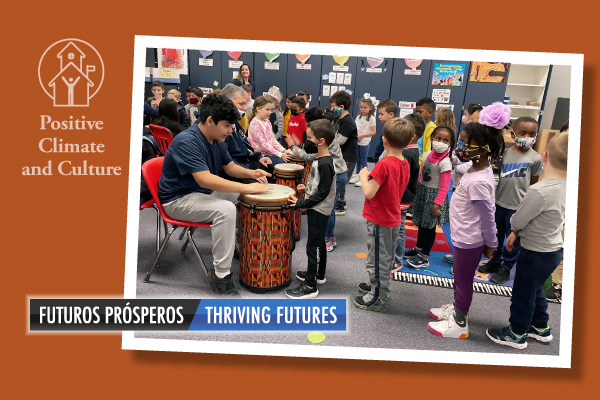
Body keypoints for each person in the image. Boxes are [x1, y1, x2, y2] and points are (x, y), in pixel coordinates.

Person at [158, 93, 271, 296]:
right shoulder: (188, 141)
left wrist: (251, 174)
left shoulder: (217, 138)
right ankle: (220, 275)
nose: (230, 131)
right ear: (210, 121)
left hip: (199, 193)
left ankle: (236, 244)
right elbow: (205, 180)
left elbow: (228, 167)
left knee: (242, 198)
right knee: (226, 209)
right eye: (227, 126)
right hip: (177, 199)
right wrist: (246, 186)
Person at [427, 104, 509, 339]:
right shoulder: (474, 167)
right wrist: (452, 158)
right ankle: (457, 308)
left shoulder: (480, 182)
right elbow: (460, 166)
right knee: (459, 279)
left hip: (469, 240)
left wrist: (492, 244)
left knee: (463, 281)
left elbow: (488, 218)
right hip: (463, 235)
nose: (460, 148)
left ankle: (460, 323)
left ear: (482, 150)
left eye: (464, 144)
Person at [486, 131, 568, 349]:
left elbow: (519, 218)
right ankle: (540, 326)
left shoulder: (539, 191)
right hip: (553, 250)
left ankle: (517, 332)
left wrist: (513, 230)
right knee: (536, 287)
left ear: (544, 156)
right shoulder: (569, 186)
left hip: (534, 252)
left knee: (523, 292)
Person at [354, 118, 413, 312]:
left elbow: (369, 192)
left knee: (377, 259)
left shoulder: (384, 165)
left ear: (384, 140)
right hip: (392, 218)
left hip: (381, 220)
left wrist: (363, 176)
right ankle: (378, 287)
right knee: (384, 258)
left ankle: (378, 297)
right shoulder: (404, 162)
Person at [478, 116, 543, 284]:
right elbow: (500, 176)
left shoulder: (535, 158)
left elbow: (533, 183)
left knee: (513, 239)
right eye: (522, 133)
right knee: (497, 234)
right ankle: (496, 260)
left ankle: (506, 266)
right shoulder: (505, 154)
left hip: (518, 207)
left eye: (531, 133)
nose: (527, 137)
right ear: (513, 135)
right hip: (500, 203)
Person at [286, 119, 337, 298]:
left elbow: (323, 192)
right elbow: (319, 185)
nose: (307, 141)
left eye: (309, 137)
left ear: (321, 141)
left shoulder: (325, 163)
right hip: (318, 205)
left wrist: (302, 203)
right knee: (319, 242)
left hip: (319, 208)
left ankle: (310, 286)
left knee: (312, 246)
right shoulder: (319, 157)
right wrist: (305, 189)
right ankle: (318, 275)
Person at [286, 106, 347, 252]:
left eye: (309, 136)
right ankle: (328, 236)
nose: (308, 139)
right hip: (339, 173)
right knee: (329, 207)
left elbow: (308, 156)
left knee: (328, 208)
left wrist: (293, 146)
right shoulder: (326, 135)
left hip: (337, 175)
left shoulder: (325, 152)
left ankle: (327, 239)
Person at [404, 126, 455, 268]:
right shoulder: (427, 155)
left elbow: (445, 187)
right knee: (421, 224)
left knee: (429, 228)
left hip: (434, 198)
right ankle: (418, 249)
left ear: (450, 144)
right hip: (422, 193)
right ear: (432, 138)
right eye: (438, 138)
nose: (441, 142)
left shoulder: (445, 162)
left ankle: (424, 256)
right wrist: (416, 191)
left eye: (445, 140)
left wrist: (437, 204)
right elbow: (421, 174)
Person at [392, 113, 425, 271]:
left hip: (401, 198)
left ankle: (397, 259)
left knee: (398, 230)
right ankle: (397, 256)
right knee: (399, 228)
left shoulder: (406, 153)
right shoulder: (409, 150)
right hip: (404, 197)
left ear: (412, 136)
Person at [221, 84, 273, 183]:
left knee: (268, 168)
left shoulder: (235, 124)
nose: (245, 108)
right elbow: (227, 164)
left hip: (244, 163)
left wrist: (259, 157)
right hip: (232, 171)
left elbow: (246, 145)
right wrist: (249, 173)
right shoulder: (221, 128)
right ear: (227, 102)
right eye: (241, 104)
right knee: (257, 181)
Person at [330, 90, 358, 216]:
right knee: (340, 179)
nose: (331, 109)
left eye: (333, 106)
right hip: (341, 155)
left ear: (341, 107)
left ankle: (339, 205)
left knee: (341, 180)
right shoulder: (339, 118)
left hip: (348, 156)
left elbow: (340, 140)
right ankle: (341, 203)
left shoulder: (347, 121)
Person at [247, 96, 292, 165]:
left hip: (268, 153)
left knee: (288, 160)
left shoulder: (267, 122)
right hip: (260, 156)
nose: (270, 112)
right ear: (258, 109)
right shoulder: (255, 124)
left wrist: (283, 150)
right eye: (267, 109)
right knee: (282, 163)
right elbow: (264, 144)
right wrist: (280, 154)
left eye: (270, 109)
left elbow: (273, 139)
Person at [349, 98, 376, 187]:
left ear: (370, 108)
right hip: (357, 142)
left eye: (365, 107)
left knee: (363, 161)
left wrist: (362, 136)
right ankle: (358, 175)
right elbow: (355, 128)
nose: (363, 109)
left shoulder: (371, 118)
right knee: (358, 160)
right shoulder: (358, 117)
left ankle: (364, 178)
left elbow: (373, 132)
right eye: (361, 107)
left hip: (364, 143)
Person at [415, 97, 437, 167]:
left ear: (430, 113)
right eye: (416, 111)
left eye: (420, 112)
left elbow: (428, 151)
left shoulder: (432, 129)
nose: (417, 114)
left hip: (420, 165)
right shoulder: (416, 125)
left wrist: (417, 164)